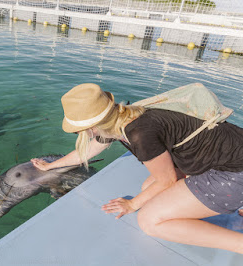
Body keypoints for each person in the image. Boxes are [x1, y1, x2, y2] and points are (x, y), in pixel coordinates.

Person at [31, 83, 243, 253]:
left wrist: (132, 205)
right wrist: (51, 166)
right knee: (148, 187)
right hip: (229, 155)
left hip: (233, 173)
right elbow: (86, 153)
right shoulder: (126, 116)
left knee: (149, 220)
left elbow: (166, 181)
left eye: (77, 130)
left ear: (91, 128)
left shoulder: (140, 134)